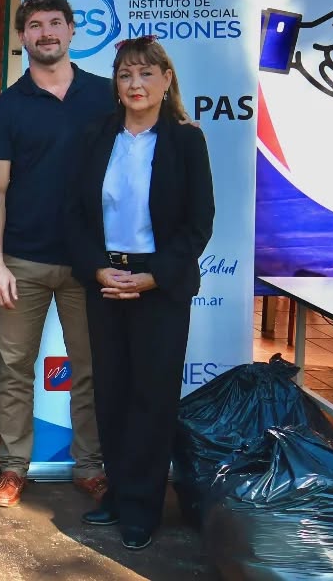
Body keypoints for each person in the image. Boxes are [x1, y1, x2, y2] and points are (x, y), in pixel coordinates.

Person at [67, 36, 213, 551]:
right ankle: (118, 492)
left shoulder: (186, 140)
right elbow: (76, 214)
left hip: (159, 287)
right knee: (111, 395)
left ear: (166, 80)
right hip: (106, 281)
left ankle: (143, 508)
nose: (135, 84)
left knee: (151, 399)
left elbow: (199, 224)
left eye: (146, 73)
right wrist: (98, 270)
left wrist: (155, 277)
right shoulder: (96, 134)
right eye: (125, 74)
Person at [0, 0, 113, 508]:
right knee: (14, 370)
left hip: (89, 262)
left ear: (72, 30)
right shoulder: (5, 109)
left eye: (55, 22)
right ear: (22, 37)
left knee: (90, 368)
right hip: (22, 260)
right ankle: (14, 467)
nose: (46, 33)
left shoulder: (106, 96)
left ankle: (90, 465)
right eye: (35, 25)